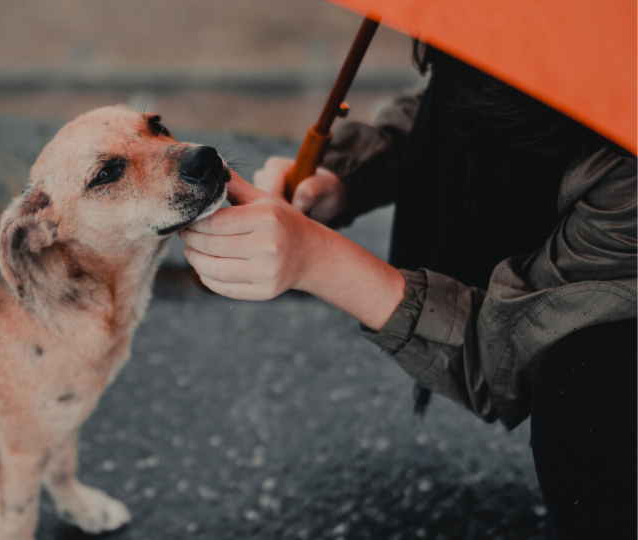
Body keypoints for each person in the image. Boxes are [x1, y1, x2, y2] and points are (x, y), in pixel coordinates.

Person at [180, 45, 636, 539]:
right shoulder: (528, 41)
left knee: (589, 392)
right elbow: (459, 106)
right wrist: (344, 178)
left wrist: (319, 260)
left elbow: (508, 355)